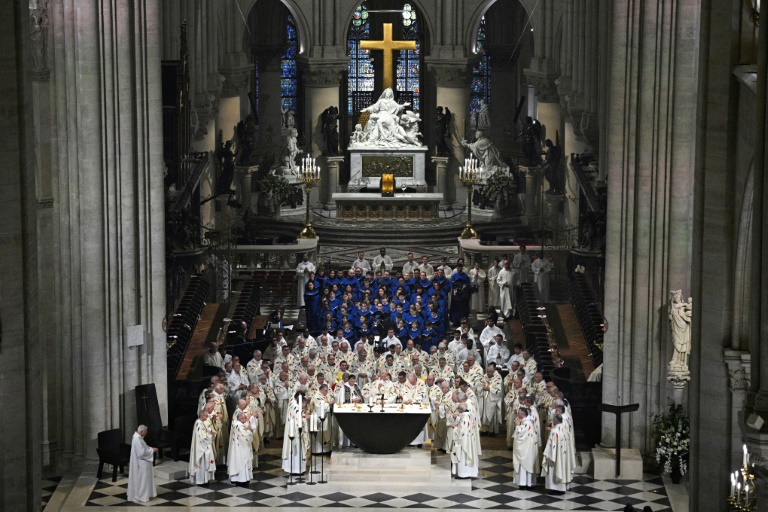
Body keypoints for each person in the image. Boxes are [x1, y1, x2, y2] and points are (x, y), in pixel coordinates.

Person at [541, 413, 576, 494]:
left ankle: (555, 488)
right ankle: (562, 488)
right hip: (564, 456)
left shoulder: (554, 432)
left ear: (555, 421)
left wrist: (546, 454)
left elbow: (549, 448)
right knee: (562, 468)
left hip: (555, 456)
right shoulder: (566, 430)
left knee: (555, 469)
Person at [127, 425, 158, 503]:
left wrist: (150, 449)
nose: (146, 433)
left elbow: (144, 448)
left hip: (141, 462)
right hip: (141, 463)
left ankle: (143, 495)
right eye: (145, 432)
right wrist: (152, 451)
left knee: (143, 480)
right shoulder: (137, 439)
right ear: (141, 432)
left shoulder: (138, 438)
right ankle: (141, 497)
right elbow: (141, 453)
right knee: (142, 480)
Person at [282, 392, 310, 475]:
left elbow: (297, 417)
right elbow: (299, 423)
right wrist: (306, 418)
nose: (305, 406)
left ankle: (293, 468)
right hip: (296, 434)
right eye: (305, 404)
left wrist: (303, 415)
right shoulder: (297, 408)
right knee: (296, 450)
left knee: (293, 450)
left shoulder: (292, 404)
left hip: (291, 431)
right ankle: (297, 469)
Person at [450, 402, 480, 478]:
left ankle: (464, 474)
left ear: (462, 409)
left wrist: (455, 428)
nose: (458, 410)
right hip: (469, 439)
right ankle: (467, 472)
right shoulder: (468, 415)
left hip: (464, 442)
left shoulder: (465, 418)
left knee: (463, 456)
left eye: (459, 409)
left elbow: (462, 431)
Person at [513, 408, 540, 489]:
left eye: (518, 413)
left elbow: (520, 435)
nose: (517, 415)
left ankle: (523, 483)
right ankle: (526, 483)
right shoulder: (527, 422)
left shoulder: (527, 424)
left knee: (524, 464)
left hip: (525, 449)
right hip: (528, 448)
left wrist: (517, 425)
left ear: (522, 414)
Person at [228, 411, 255, 486]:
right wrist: (249, 430)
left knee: (238, 462)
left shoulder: (236, 424)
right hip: (241, 449)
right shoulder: (239, 426)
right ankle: (242, 479)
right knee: (242, 462)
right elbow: (245, 437)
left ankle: (238, 479)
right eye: (245, 418)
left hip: (238, 448)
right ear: (241, 419)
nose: (246, 419)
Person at [479, 362, 503, 435]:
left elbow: (499, 390)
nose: (488, 373)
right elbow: (479, 385)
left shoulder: (498, 378)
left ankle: (491, 431)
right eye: (487, 371)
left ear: (493, 372)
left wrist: (489, 389)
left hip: (492, 399)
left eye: (490, 372)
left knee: (491, 414)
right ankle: (483, 430)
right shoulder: (484, 377)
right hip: (484, 398)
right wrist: (483, 388)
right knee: (483, 414)